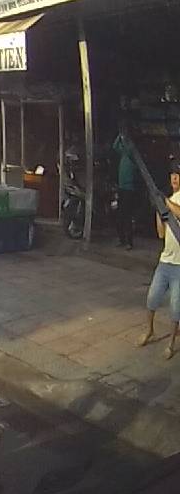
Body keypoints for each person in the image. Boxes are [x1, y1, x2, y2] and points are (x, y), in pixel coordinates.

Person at [139, 160, 180, 359]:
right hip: (165, 262)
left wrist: (164, 201)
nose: (175, 178)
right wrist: (159, 210)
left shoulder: (172, 201)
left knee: (176, 307)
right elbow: (161, 234)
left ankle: (171, 343)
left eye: (178, 175)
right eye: (172, 175)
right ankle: (149, 330)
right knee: (152, 299)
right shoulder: (169, 200)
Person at [112, 128, 138, 249]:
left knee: (127, 216)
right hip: (121, 188)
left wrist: (124, 138)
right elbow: (115, 147)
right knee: (119, 216)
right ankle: (122, 240)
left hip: (129, 189)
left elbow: (128, 149)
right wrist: (119, 135)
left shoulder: (131, 155)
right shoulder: (123, 155)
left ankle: (129, 242)